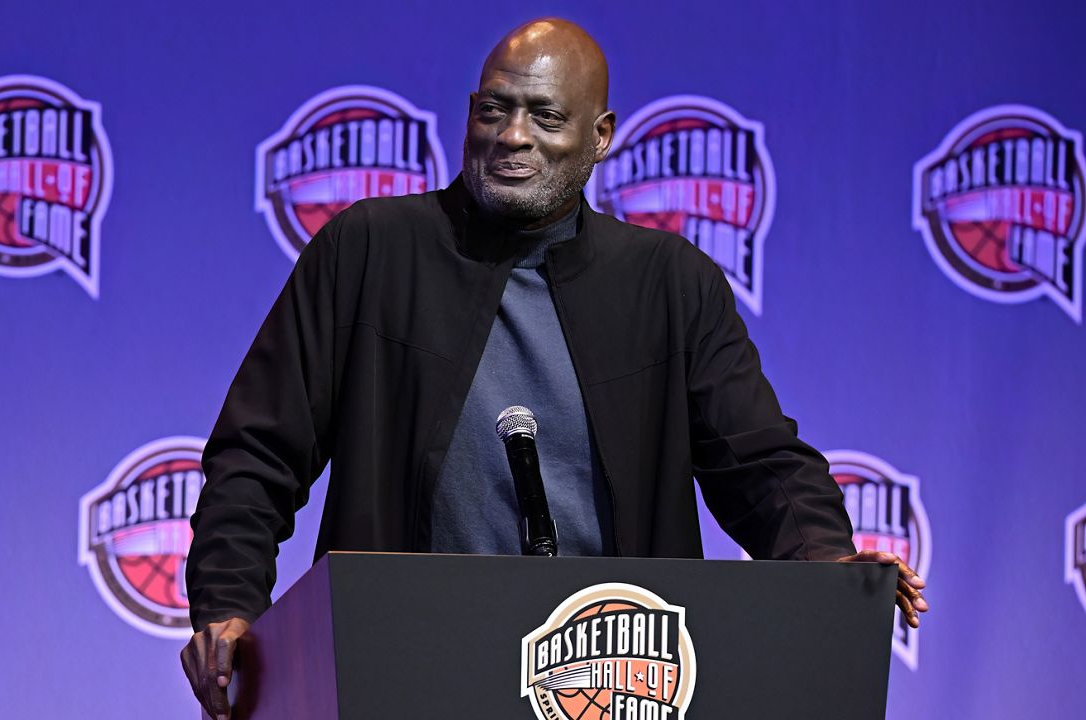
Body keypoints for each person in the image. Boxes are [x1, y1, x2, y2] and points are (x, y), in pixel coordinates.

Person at [180, 18, 929, 719]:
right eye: (492, 111)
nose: (512, 137)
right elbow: (259, 451)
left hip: (612, 677)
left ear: (600, 136)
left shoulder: (668, 282)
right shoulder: (370, 252)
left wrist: (828, 563)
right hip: (408, 665)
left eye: (545, 117)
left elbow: (759, 461)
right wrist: (226, 601)